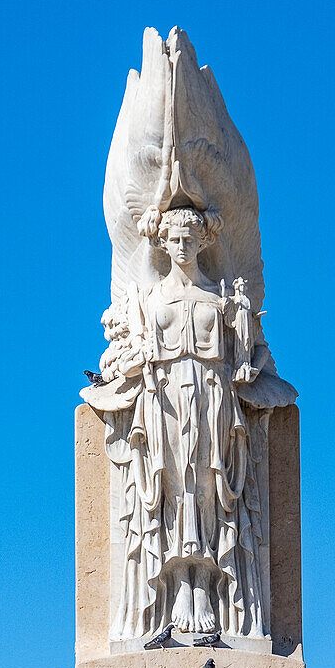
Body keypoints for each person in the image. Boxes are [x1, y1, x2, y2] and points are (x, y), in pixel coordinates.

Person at [86, 205, 296, 642]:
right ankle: (180, 591)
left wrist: (250, 369)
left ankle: (207, 592)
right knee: (171, 493)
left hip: (211, 397)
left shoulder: (220, 300)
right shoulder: (149, 299)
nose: (182, 246)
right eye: (174, 239)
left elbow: (254, 353)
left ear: (204, 241)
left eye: (190, 238)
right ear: (163, 242)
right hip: (162, 401)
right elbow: (132, 354)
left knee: (209, 493)